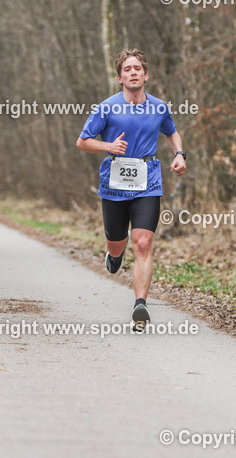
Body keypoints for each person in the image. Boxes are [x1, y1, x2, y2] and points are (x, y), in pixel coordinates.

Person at [76, 48, 186, 331]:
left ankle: (140, 305)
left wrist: (179, 154)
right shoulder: (107, 107)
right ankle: (114, 255)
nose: (133, 72)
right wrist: (108, 146)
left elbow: (171, 131)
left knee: (143, 242)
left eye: (137, 68)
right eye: (128, 69)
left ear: (146, 75)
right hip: (114, 183)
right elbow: (83, 141)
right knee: (117, 242)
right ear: (119, 77)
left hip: (147, 180)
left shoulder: (159, 107)